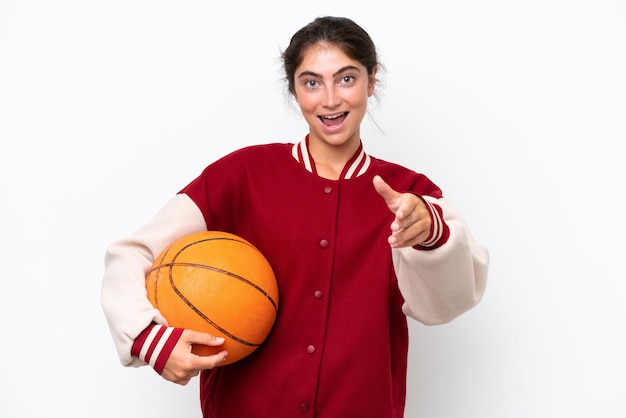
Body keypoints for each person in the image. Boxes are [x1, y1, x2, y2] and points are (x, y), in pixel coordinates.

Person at [101, 15, 489, 418]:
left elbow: (449, 303)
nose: (330, 99)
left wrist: (430, 235)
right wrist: (150, 339)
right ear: (294, 89)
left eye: (346, 78)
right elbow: (130, 254)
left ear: (372, 82)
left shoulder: (411, 194)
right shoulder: (241, 175)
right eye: (311, 82)